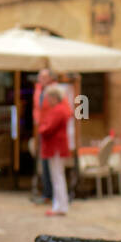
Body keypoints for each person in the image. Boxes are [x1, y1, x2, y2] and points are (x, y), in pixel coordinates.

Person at [38, 86, 70, 216]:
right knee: (58, 176)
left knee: (57, 177)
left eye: (49, 98)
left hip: (55, 147)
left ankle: (60, 206)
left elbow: (47, 128)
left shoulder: (58, 110)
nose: (47, 101)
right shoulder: (60, 110)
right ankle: (60, 205)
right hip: (56, 147)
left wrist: (41, 128)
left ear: (54, 97)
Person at [31, 68, 53, 202]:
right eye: (40, 77)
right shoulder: (38, 90)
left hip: (49, 132)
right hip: (42, 131)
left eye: (44, 77)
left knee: (52, 167)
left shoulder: (54, 91)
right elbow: (37, 109)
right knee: (44, 164)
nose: (42, 80)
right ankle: (46, 192)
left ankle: (50, 194)